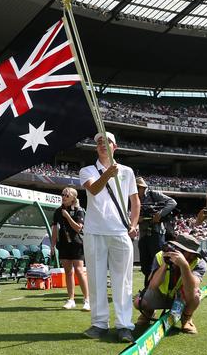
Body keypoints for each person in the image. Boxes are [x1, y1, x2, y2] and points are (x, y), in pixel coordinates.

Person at [79, 131, 140, 343]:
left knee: (122, 281)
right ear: (96, 148)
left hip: (120, 231)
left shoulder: (128, 171)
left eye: (108, 142)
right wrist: (107, 174)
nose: (103, 145)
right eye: (99, 143)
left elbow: (135, 201)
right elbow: (94, 190)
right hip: (95, 230)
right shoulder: (87, 170)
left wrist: (133, 224)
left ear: (115, 147)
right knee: (96, 279)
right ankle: (99, 323)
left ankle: (124, 325)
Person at [134, 234, 206, 334]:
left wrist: (184, 265)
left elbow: (192, 288)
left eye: (181, 250)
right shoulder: (160, 256)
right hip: (161, 295)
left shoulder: (199, 263)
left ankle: (187, 319)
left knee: (196, 295)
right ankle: (149, 312)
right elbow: (152, 286)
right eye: (175, 248)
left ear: (192, 254)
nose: (175, 251)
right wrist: (165, 264)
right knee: (138, 302)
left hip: (181, 299)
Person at [51, 187, 90, 311]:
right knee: (68, 272)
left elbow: (79, 228)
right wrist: (52, 245)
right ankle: (71, 299)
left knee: (79, 270)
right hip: (63, 244)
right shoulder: (58, 211)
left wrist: (68, 216)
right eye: (62, 194)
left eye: (66, 195)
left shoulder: (79, 210)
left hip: (76, 243)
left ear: (73, 198)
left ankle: (87, 299)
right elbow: (55, 229)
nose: (63, 197)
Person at [136, 177, 177, 288]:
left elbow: (172, 202)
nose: (135, 189)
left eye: (137, 187)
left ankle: (157, 288)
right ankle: (148, 288)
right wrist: (135, 219)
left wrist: (160, 214)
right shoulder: (134, 198)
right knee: (145, 265)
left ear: (142, 187)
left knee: (158, 262)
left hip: (156, 233)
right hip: (143, 234)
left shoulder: (153, 194)